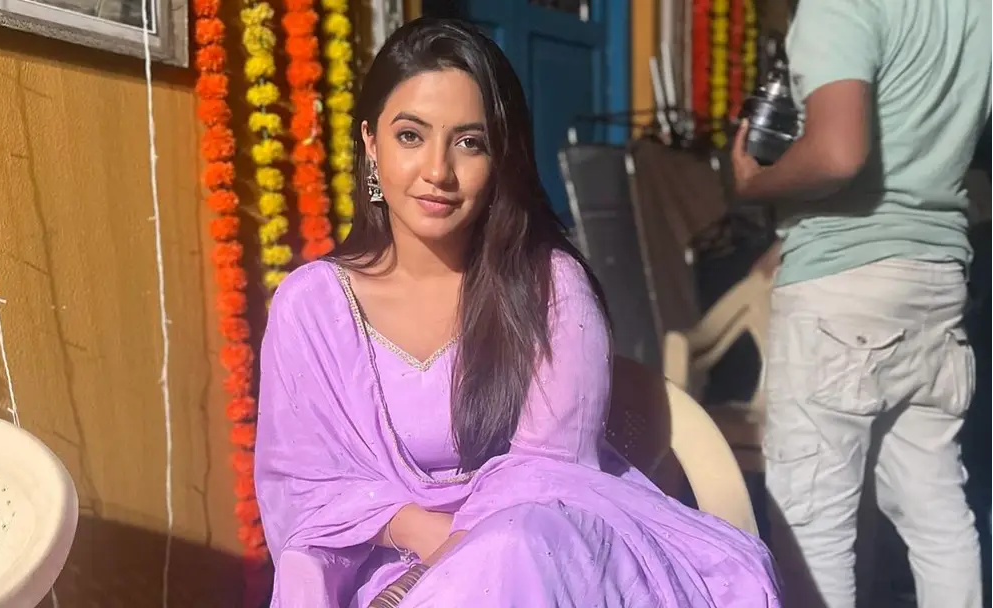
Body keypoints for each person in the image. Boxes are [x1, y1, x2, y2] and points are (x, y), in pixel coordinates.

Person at [255, 17, 779, 608]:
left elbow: (547, 478)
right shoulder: (314, 306)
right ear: (371, 144)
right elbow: (306, 487)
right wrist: (417, 539)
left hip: (540, 560)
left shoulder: (550, 288)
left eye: (469, 142)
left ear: (501, 158)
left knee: (516, 544)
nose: (437, 171)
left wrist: (445, 569)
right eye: (410, 136)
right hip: (382, 565)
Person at [730, 0, 993, 606]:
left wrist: (754, 184)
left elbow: (837, 153)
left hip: (844, 284)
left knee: (812, 526)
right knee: (937, 512)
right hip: (936, 277)